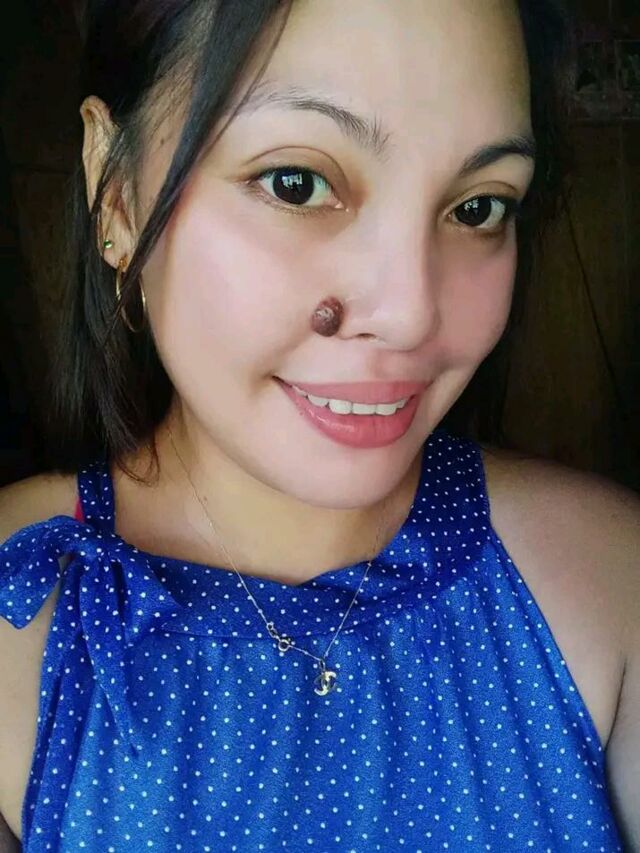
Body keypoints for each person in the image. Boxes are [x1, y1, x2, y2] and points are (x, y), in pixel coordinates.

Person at [0, 0, 638, 849]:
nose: (411, 312)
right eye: (296, 183)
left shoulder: (612, 583)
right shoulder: (19, 624)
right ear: (115, 194)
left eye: (479, 207)